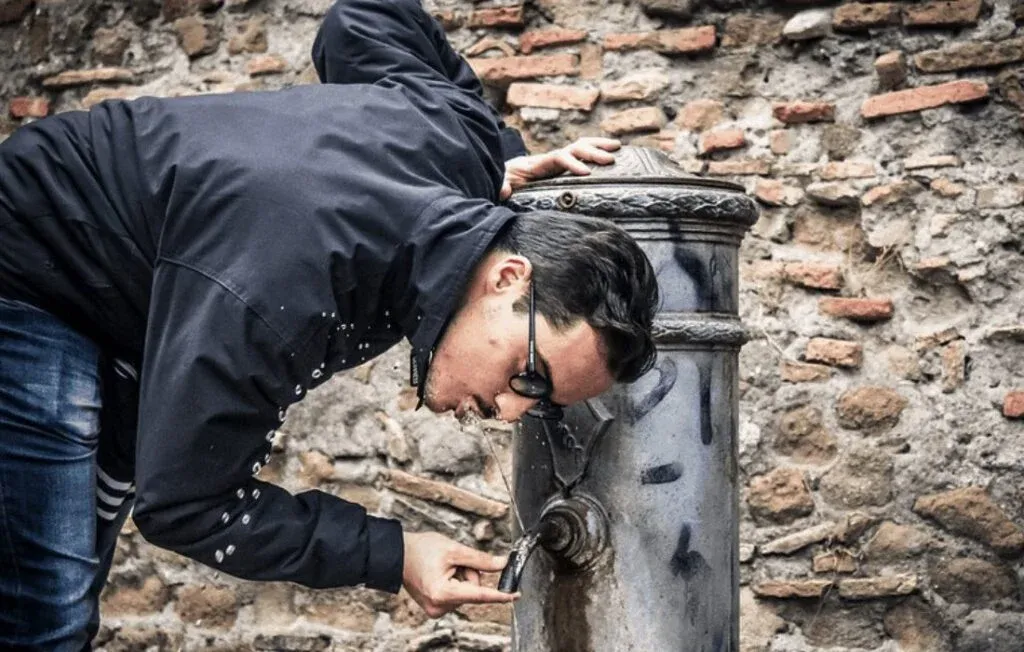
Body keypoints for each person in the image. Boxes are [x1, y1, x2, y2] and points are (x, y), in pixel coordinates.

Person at [0, 0, 659, 648]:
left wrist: (495, 160)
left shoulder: (460, 142)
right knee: (44, 618)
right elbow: (189, 506)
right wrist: (392, 553)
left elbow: (368, 16)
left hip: (135, 301)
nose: (511, 411)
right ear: (509, 277)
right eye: (529, 376)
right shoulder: (282, 291)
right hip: (30, 267)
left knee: (53, 591)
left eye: (538, 407)